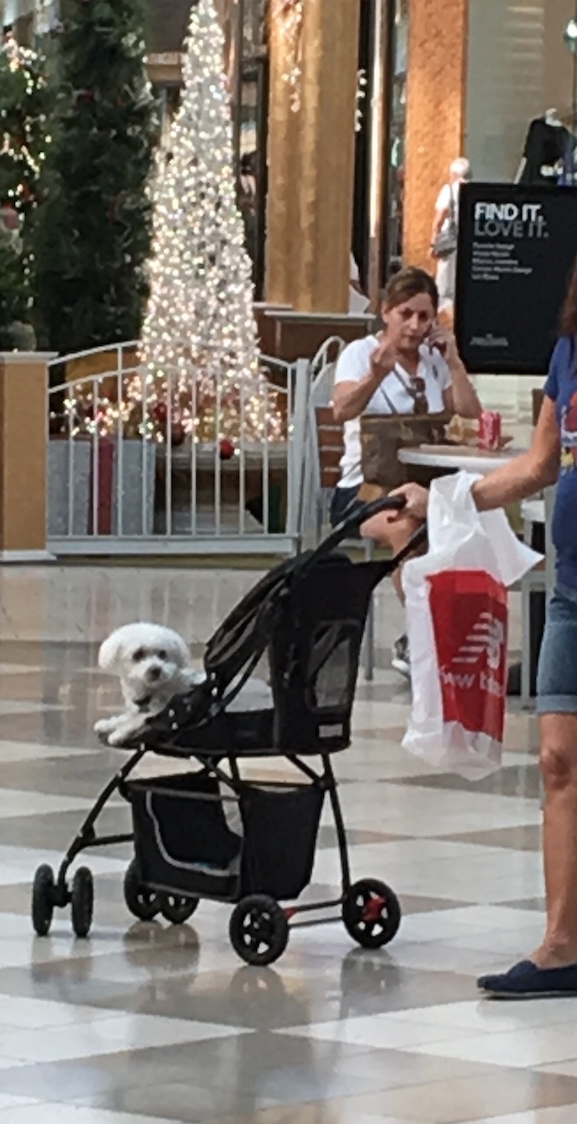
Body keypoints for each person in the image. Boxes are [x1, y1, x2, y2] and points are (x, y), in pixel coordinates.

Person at [392, 262, 577, 998]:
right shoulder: (569, 351)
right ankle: (562, 945)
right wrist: (448, 498)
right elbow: (541, 464)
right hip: (572, 590)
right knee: (558, 760)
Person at [330, 266, 482, 676]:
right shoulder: (361, 353)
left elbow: (471, 413)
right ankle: (423, 637)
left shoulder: (432, 360)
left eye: (424, 316)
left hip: (425, 485)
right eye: (406, 314)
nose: (415, 326)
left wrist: (454, 362)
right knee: (408, 528)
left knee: (470, 521)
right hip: (365, 489)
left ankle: (448, 633)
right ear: (386, 312)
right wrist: (375, 375)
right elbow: (341, 409)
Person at [431, 157, 471, 319]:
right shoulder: (473, 190)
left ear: (453, 174)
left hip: (450, 241)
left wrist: (433, 240)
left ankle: (444, 316)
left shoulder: (449, 190)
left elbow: (440, 216)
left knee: (444, 282)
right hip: (467, 240)